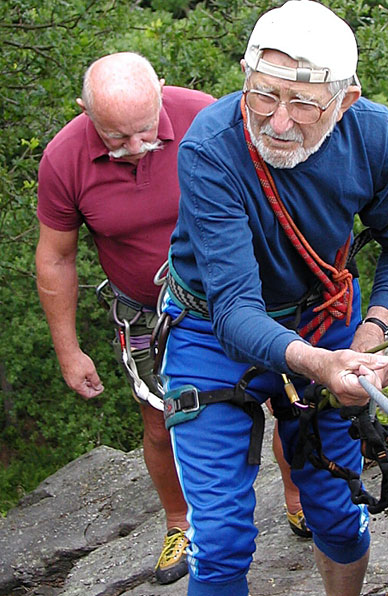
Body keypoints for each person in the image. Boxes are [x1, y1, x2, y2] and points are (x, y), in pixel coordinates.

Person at [159, 0, 388, 596]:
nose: (278, 123)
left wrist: (369, 337)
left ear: (345, 102)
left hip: (325, 316)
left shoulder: (374, 136)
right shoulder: (213, 148)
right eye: (263, 96)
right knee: (223, 541)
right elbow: (234, 312)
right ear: (245, 80)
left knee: (335, 510)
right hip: (211, 331)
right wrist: (322, 364)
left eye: (303, 102)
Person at [35, 52, 215, 585]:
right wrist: (68, 349)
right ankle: (180, 523)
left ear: (161, 91)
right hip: (146, 313)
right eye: (117, 139)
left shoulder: (205, 117)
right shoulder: (65, 158)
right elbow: (56, 257)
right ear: (85, 113)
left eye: (145, 132)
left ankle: (298, 499)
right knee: (161, 425)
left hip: (234, 294)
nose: (136, 148)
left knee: (282, 393)